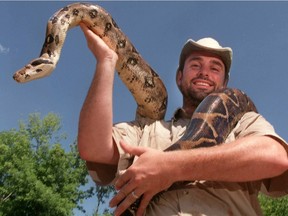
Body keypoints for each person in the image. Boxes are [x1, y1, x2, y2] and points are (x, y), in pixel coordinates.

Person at [77, 23, 288, 216]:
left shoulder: (244, 122)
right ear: (179, 77)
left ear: (224, 83)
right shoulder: (148, 129)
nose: (204, 72)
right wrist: (106, 61)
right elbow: (94, 149)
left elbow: (274, 157)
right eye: (195, 65)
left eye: (215, 68)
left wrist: (171, 166)